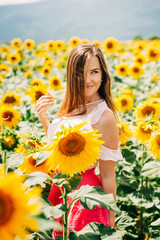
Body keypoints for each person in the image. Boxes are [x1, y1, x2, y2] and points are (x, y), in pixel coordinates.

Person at [36, 44, 123, 237]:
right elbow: (58, 145)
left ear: (103, 75)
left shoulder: (104, 116)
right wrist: (44, 117)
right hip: (61, 190)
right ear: (71, 75)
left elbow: (108, 176)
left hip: (86, 198)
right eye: (81, 72)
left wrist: (111, 224)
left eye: (94, 72)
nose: (88, 80)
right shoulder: (70, 106)